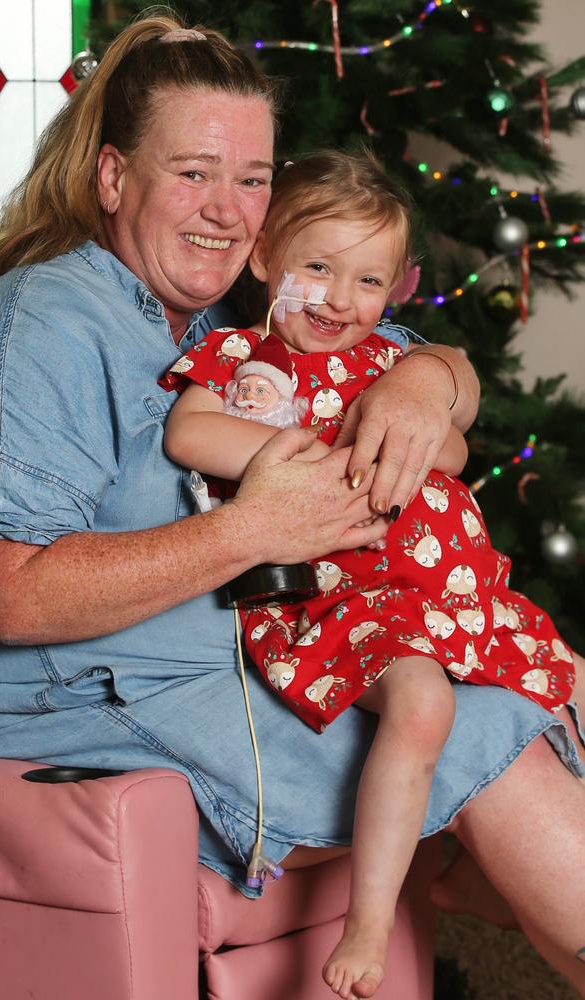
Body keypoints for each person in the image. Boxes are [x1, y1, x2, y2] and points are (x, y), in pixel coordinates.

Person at [0, 11, 584, 999]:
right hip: (74, 715)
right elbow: (11, 593)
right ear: (113, 178)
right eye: (194, 171)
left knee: (541, 683)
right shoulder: (39, 326)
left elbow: (401, 356)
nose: (227, 209)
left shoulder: (214, 310)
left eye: (251, 178)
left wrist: (425, 382)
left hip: (222, 681)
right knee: (487, 729)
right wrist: (248, 528)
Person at [160, 150, 581, 998]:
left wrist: (420, 413)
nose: (338, 300)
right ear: (266, 260)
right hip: (348, 601)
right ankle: (370, 922)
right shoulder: (253, 364)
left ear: (396, 289)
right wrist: (319, 459)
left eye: (367, 281)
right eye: (317, 268)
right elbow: (189, 435)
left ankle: (470, 879)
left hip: (454, 594)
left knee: (573, 679)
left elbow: (454, 450)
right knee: (422, 706)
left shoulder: (388, 362)